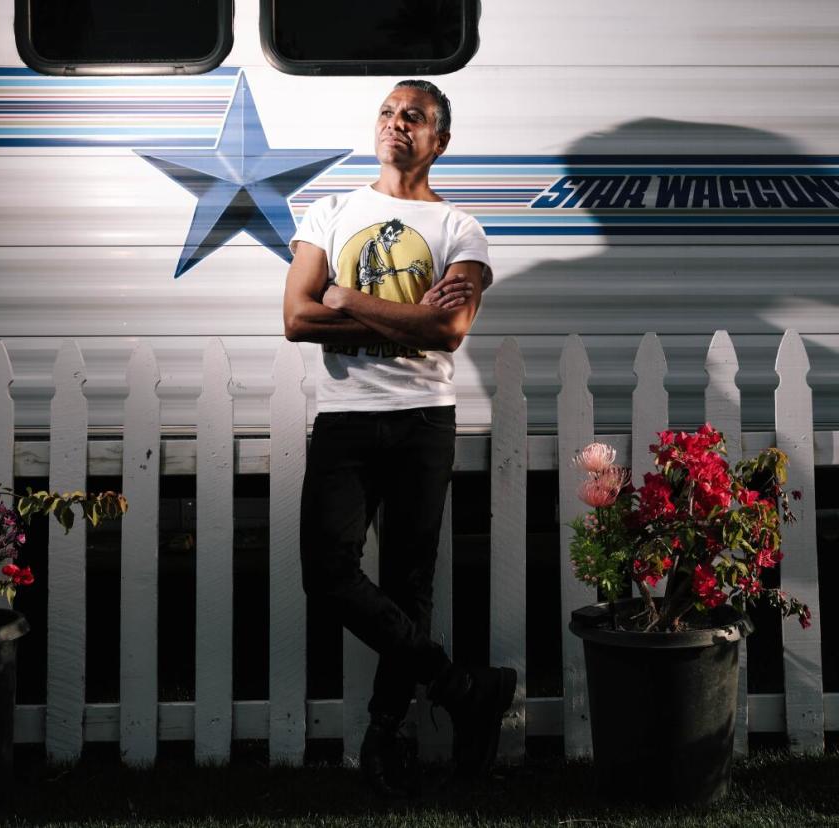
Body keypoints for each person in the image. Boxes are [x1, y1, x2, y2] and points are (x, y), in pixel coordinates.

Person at [282, 79, 516, 796]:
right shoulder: (328, 212)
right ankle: (462, 687)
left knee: (410, 583)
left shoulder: (460, 230)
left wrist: (347, 298)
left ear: (437, 140)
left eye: (413, 117)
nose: (396, 124)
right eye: (387, 113)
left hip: (423, 419)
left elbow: (447, 330)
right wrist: (401, 316)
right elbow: (295, 316)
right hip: (345, 419)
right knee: (329, 575)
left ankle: (384, 739)